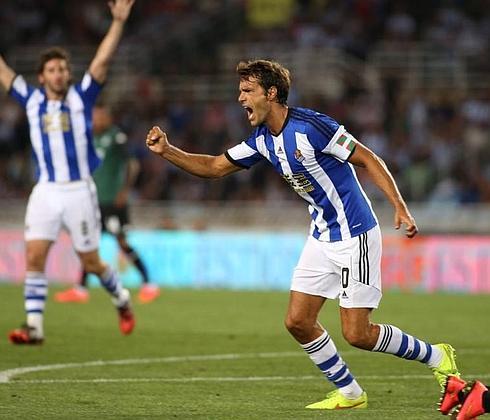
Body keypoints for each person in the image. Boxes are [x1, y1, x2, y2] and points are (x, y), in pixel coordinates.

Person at [145, 59, 460, 409]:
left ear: (272, 93)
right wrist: (168, 151)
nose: (240, 98)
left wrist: (399, 205)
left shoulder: (312, 127)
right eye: (240, 91)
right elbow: (216, 167)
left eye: (247, 91)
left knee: (357, 333)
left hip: (355, 234)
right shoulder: (263, 140)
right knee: (297, 321)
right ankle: (350, 393)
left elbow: (369, 158)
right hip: (321, 236)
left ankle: (436, 356)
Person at [0, 0, 136, 345]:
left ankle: (121, 299)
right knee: (34, 256)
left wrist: (118, 22)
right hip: (46, 190)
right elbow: (3, 71)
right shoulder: (30, 100)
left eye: (63, 68)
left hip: (78, 190)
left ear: (67, 74)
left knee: (91, 263)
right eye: (52, 70)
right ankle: (34, 327)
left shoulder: (82, 98)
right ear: (42, 76)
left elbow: (102, 61)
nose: (59, 73)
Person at [54, 104, 160, 304]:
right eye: (94, 116)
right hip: (94, 202)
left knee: (121, 242)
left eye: (100, 116)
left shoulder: (116, 137)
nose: (97, 120)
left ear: (108, 118)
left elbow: (132, 164)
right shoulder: (89, 139)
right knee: (88, 244)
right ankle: (80, 289)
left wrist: (125, 190)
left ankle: (149, 284)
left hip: (113, 201)